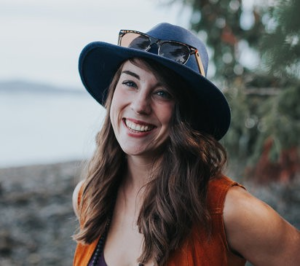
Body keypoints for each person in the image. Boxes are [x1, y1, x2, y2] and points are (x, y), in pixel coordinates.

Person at [72, 23, 300, 266]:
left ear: (186, 115)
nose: (139, 105)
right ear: (112, 93)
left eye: (163, 93)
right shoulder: (89, 197)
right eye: (130, 83)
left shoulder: (228, 211)